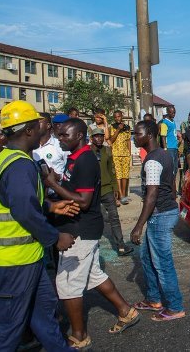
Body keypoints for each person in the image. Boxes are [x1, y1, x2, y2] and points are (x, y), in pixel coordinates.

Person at [0, 100, 79, 351]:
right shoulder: (19, 165)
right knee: (7, 328)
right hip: (14, 261)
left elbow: (15, 201)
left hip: (25, 257)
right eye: (38, 126)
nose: (41, 130)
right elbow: (24, 210)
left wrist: (49, 206)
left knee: (44, 314)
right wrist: (55, 237)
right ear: (27, 131)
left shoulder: (0, 160)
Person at [45, 118, 139, 348]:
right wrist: (59, 182)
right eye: (60, 135)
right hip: (81, 226)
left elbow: (84, 201)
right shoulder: (74, 158)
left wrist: (53, 184)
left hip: (79, 230)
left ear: (79, 136)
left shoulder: (86, 160)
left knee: (68, 283)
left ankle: (79, 335)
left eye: (65, 135)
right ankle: (126, 311)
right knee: (93, 275)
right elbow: (74, 189)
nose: (60, 138)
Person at [131, 120, 185, 321]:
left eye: (138, 133)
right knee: (146, 257)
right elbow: (171, 183)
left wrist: (138, 226)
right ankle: (154, 299)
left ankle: (175, 307)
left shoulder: (153, 160)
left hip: (160, 215)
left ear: (150, 135)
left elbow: (151, 195)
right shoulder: (164, 154)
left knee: (162, 263)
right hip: (165, 211)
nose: (135, 137)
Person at [90, 128, 133, 257]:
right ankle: (92, 248)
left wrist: (115, 188)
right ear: (91, 138)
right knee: (94, 219)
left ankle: (120, 245)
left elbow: (112, 170)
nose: (99, 139)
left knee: (114, 217)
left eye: (101, 136)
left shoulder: (107, 151)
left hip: (107, 189)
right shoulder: (87, 152)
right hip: (93, 191)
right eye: (96, 136)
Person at [108, 110, 132, 205]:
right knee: (118, 175)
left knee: (125, 175)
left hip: (125, 154)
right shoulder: (112, 127)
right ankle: (121, 195)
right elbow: (111, 140)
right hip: (116, 154)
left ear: (122, 116)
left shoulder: (127, 127)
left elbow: (128, 141)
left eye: (119, 116)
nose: (117, 118)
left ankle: (124, 194)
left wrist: (129, 154)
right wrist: (118, 129)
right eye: (115, 117)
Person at [159, 106, 179, 176]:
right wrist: (165, 148)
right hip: (169, 148)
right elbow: (163, 136)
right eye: (172, 113)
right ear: (168, 112)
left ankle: (173, 182)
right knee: (171, 168)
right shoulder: (165, 123)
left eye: (174, 112)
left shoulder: (173, 121)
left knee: (175, 168)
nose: (174, 114)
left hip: (175, 147)